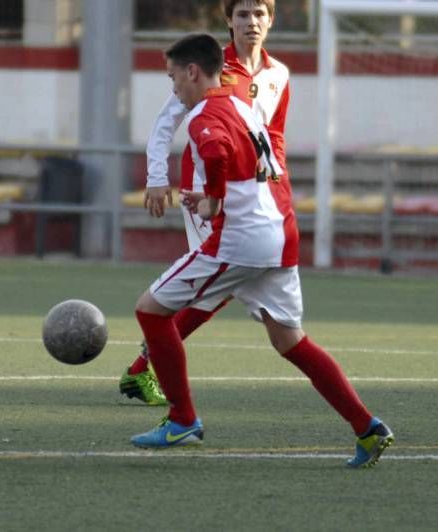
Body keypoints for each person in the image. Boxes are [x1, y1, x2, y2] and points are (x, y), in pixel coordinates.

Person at [129, 33, 394, 469]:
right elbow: (244, 164)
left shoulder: (204, 114)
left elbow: (214, 151)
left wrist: (213, 199)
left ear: (192, 71)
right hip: (278, 231)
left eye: (173, 76)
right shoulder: (239, 103)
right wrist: (216, 197)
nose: (172, 85)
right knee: (290, 340)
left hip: (240, 239)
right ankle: (367, 428)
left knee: (150, 310)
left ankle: (182, 419)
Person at [119, 0, 293, 407]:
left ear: (271, 20)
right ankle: (145, 370)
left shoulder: (278, 74)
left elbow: (274, 136)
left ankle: (142, 369)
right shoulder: (211, 69)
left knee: (217, 290)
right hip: (205, 194)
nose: (252, 22)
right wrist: (157, 178)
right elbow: (166, 123)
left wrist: (277, 186)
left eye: (259, 14)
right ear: (228, 21)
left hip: (252, 196)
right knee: (214, 289)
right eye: (243, 14)